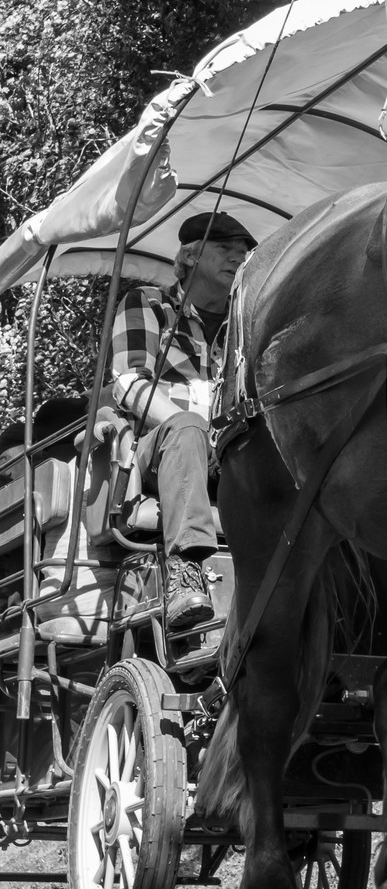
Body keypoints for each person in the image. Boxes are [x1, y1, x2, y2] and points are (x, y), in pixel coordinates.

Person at [109, 211, 255, 630]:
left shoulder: (245, 321)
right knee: (188, 426)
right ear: (190, 256)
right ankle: (184, 572)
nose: (239, 257)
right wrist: (201, 432)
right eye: (225, 248)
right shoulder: (148, 304)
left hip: (228, 456)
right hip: (159, 453)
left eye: (244, 251)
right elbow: (128, 383)